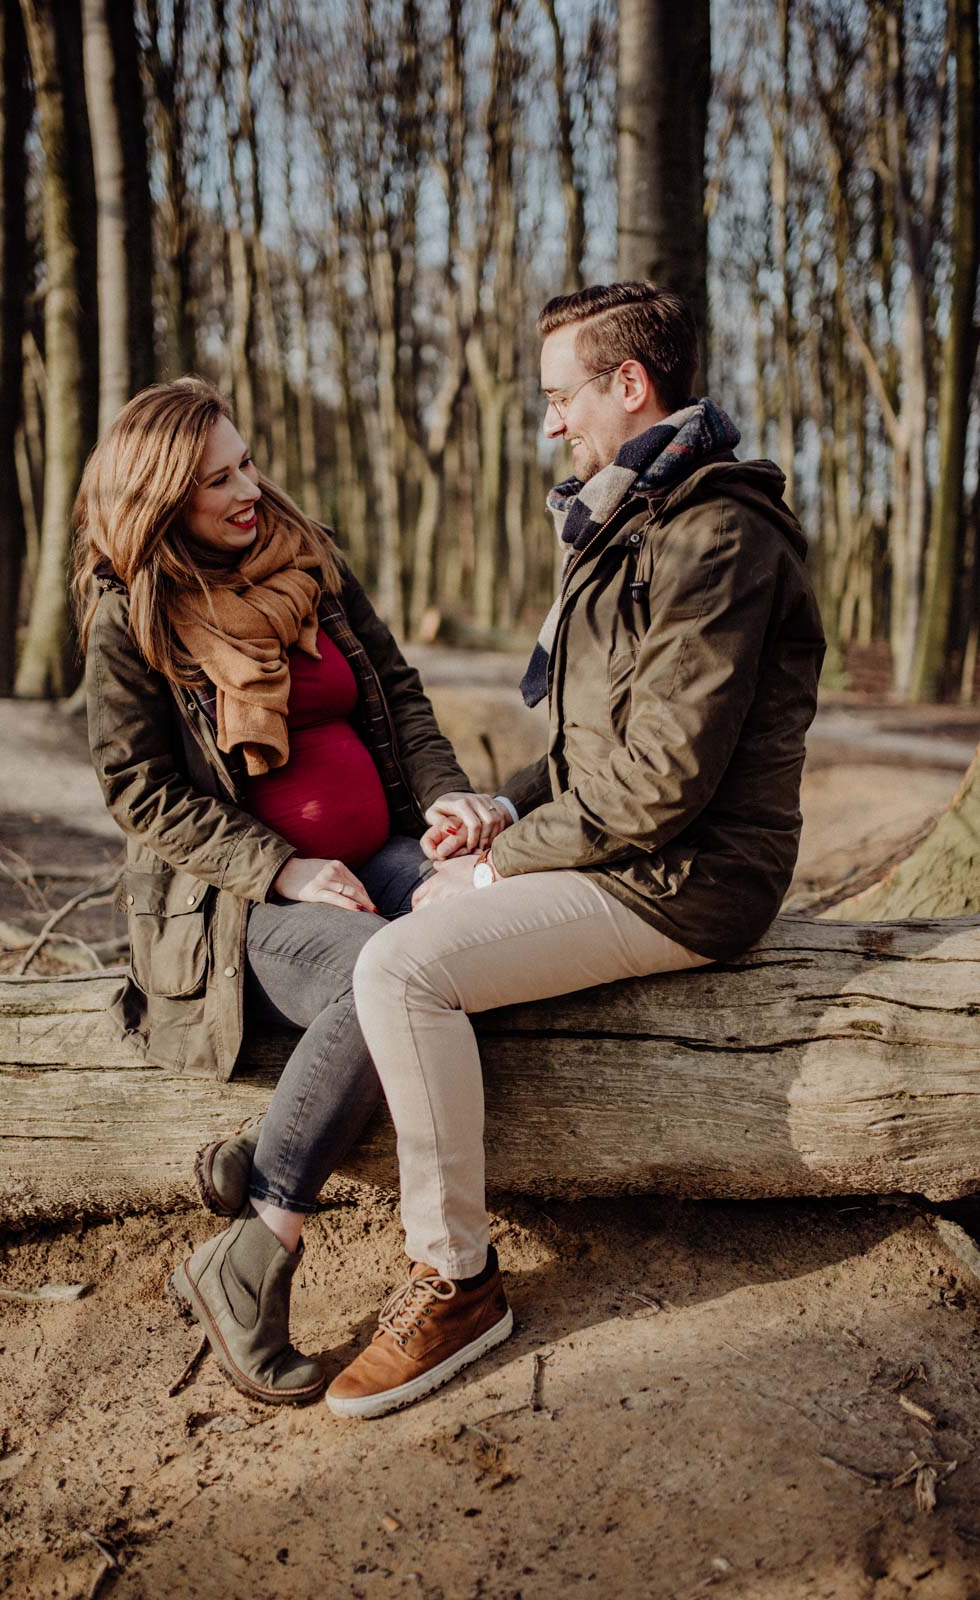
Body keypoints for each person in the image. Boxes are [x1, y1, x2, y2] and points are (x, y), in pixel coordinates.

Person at [325, 281, 826, 1419]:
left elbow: (661, 785)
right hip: (634, 849)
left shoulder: (717, 533)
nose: (552, 422)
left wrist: (501, 870)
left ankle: (455, 1279)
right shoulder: (631, 518)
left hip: (693, 879)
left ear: (629, 386)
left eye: (562, 397)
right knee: (413, 907)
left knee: (403, 964)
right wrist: (502, 811)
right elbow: (597, 746)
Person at [74, 377, 511, 1405]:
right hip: (235, 912)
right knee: (387, 972)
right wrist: (277, 865)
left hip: (382, 857)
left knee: (489, 914)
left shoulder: (307, 556)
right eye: (218, 477)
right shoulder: (130, 613)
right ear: (161, 499)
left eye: (247, 461)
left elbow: (398, 693)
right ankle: (258, 1243)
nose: (250, 489)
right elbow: (134, 786)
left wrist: (447, 804)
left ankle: (262, 1148)